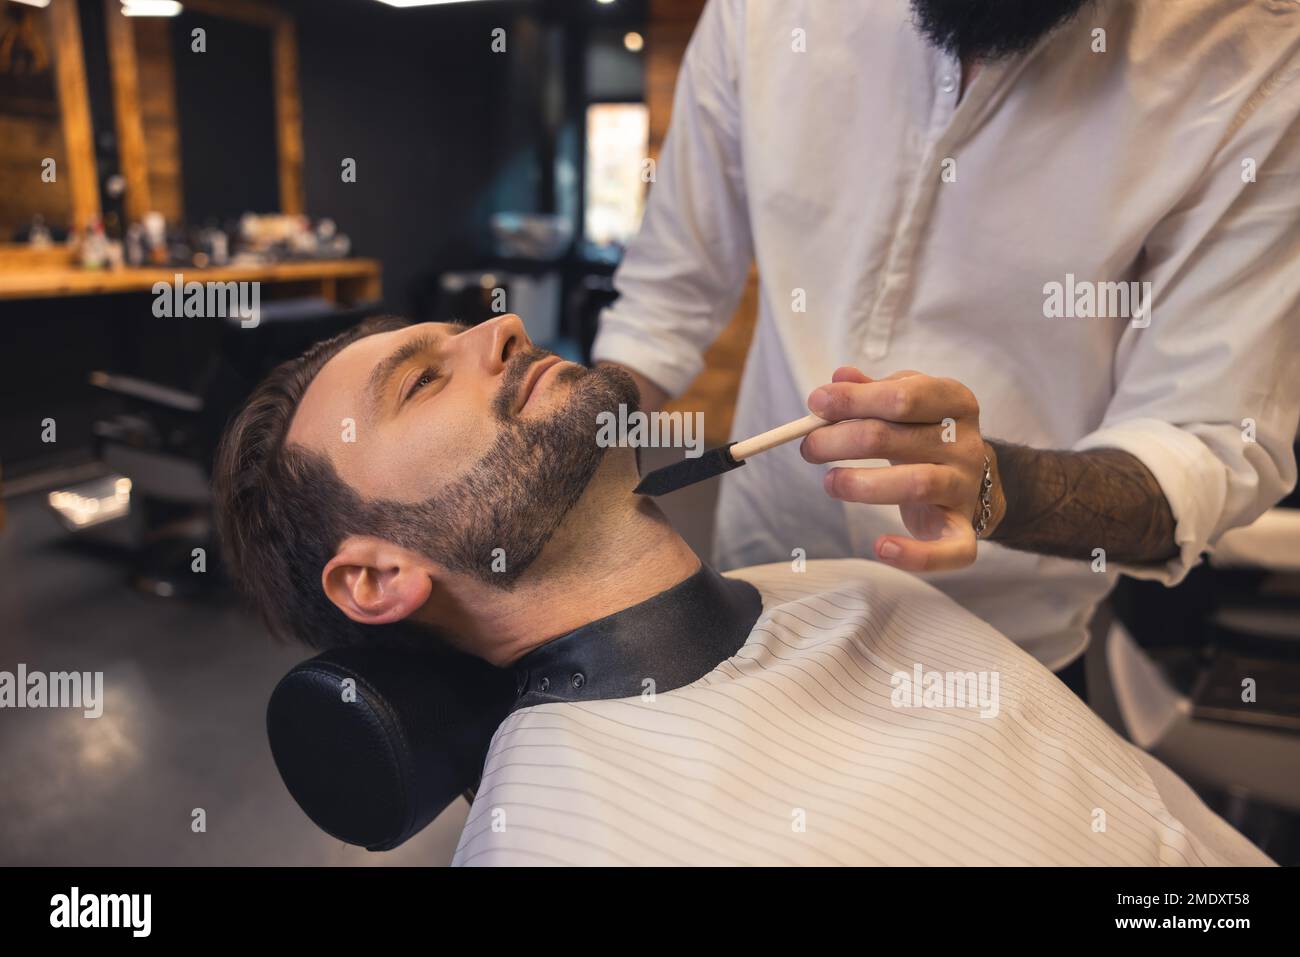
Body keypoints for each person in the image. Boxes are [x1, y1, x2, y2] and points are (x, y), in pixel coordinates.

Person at [212, 315, 1271, 865]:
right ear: (378, 576)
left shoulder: (858, 588)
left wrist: (1009, 482)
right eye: (422, 380)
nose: (501, 330)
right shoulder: (566, 839)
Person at [591, 0, 1300, 678]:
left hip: (1007, 660)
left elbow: (1201, 444)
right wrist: (569, 452)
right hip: (760, 601)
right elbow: (667, 294)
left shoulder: (1254, 59)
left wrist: (992, 482)